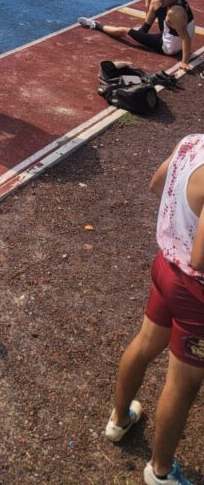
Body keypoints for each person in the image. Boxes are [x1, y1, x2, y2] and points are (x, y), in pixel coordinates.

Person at [104, 133, 204, 485]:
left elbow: (156, 185)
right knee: (183, 382)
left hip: (165, 268)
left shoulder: (192, 142)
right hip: (195, 293)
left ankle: (119, 419)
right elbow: (201, 258)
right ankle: (160, 472)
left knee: (146, 341)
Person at [78, 0, 195, 71]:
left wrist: (185, 61)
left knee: (124, 31)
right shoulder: (179, 0)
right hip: (171, 36)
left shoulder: (174, 13)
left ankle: (95, 25)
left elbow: (185, 37)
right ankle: (143, 31)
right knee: (153, 2)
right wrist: (154, 1)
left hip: (169, 47)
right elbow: (184, 32)